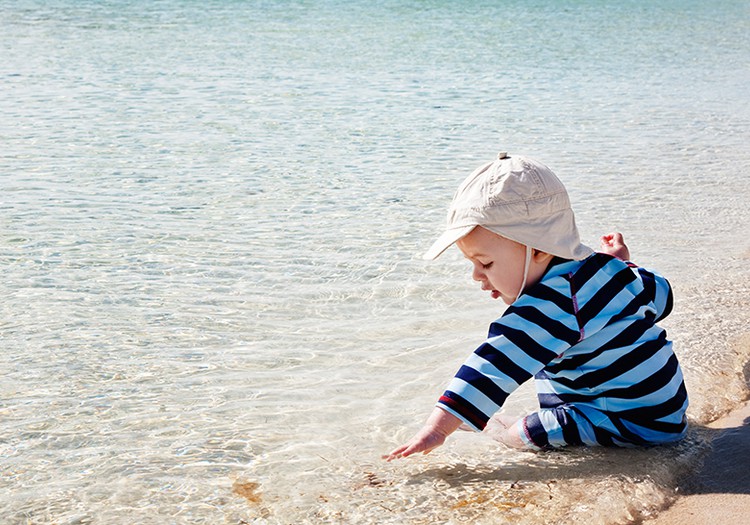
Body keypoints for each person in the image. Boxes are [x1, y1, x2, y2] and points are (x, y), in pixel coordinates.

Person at [383, 152, 688, 461]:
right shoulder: (609, 271)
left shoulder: (551, 305)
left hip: (627, 425)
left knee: (526, 433)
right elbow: (662, 297)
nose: (477, 275)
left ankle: (499, 431)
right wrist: (623, 265)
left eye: (485, 263)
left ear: (539, 249)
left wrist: (437, 429)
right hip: (666, 414)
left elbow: (491, 367)